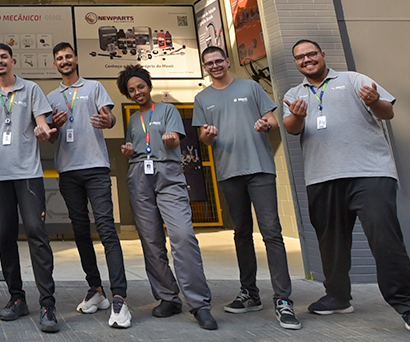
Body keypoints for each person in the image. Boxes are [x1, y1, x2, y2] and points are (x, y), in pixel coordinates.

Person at [282, 40, 410, 340]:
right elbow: (291, 127)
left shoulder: (354, 79)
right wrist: (299, 115)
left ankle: (409, 309)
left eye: (311, 54)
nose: (307, 60)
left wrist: (373, 101)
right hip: (322, 178)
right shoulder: (294, 94)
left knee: (385, 240)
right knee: (331, 244)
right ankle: (338, 297)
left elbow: (386, 113)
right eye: (300, 57)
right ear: (297, 63)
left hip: (369, 174)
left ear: (322, 55)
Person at [193, 46, 299, 330]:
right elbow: (204, 138)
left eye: (219, 61)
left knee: (272, 233)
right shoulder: (202, 98)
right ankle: (250, 293)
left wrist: (266, 124)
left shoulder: (250, 86)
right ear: (204, 67)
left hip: (260, 170)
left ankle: (283, 300)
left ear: (227, 62)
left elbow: (274, 121)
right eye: (209, 63)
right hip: (229, 173)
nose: (215, 66)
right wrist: (208, 134)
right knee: (241, 233)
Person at [117, 64, 217, 331]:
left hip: (168, 173)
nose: (137, 92)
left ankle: (199, 304)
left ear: (149, 86)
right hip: (139, 174)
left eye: (140, 86)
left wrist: (172, 138)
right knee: (151, 241)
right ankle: (168, 297)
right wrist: (128, 149)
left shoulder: (167, 109)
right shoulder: (133, 119)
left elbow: (174, 142)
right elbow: (134, 146)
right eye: (131, 90)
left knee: (183, 235)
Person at [0, 43, 60, 333]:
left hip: (28, 174)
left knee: (36, 232)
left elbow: (42, 125)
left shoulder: (31, 89)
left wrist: (42, 131)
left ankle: (48, 303)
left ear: (12, 61)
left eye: (3, 57)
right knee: (5, 236)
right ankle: (16, 298)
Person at [45, 42, 131, 329]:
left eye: (68, 56)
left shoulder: (94, 87)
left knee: (106, 229)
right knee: (80, 231)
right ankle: (96, 289)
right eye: (59, 58)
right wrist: (53, 128)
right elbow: (50, 137)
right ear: (55, 64)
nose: (65, 61)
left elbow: (110, 117)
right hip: (68, 172)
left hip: (95, 168)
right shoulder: (52, 97)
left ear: (76, 59)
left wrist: (109, 120)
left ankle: (119, 297)